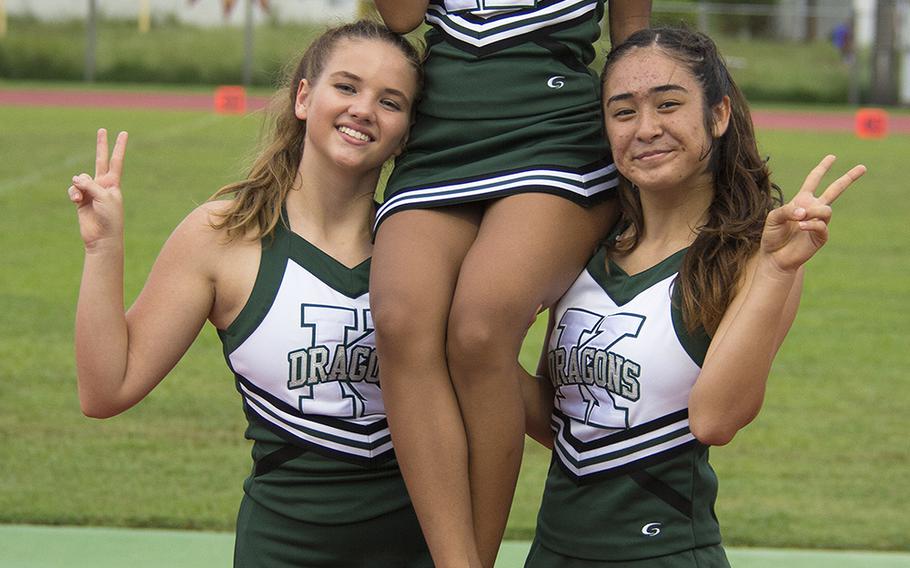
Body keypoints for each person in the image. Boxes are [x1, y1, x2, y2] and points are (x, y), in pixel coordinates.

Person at [67, 20, 433, 568]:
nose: (363, 109)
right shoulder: (223, 234)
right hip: (282, 545)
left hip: (416, 542)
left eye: (391, 101)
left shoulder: (427, 245)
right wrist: (103, 249)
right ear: (304, 97)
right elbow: (106, 389)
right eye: (347, 87)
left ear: (406, 131)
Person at [521, 27, 865, 567]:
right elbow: (561, 416)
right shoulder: (586, 246)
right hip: (552, 553)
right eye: (623, 112)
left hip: (668, 554)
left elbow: (715, 421)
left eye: (669, 104)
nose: (647, 128)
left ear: (719, 114)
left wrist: (776, 269)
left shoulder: (757, 256)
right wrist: (473, 341)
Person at [369, 1, 652, 566]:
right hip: (442, 136)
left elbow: (633, 39)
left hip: (555, 135)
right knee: (401, 320)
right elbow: (400, 17)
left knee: (478, 330)